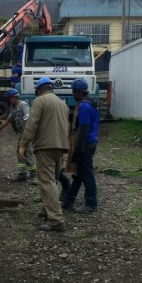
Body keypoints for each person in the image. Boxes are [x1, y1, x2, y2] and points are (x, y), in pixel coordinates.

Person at [19, 77, 69, 232]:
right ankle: (46, 210)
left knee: (46, 182)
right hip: (60, 146)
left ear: (39, 90)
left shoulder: (40, 101)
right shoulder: (63, 104)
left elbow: (31, 124)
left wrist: (23, 145)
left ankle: (56, 220)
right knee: (52, 181)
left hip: (45, 146)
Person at [64, 78, 99, 213]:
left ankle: (91, 203)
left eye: (73, 91)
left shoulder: (84, 107)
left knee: (87, 174)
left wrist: (78, 150)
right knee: (78, 175)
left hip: (85, 143)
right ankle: (68, 200)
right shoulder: (92, 104)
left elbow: (83, 129)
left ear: (78, 92)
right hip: (91, 142)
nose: (73, 94)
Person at [0, 89, 37, 184]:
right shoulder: (13, 107)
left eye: (9, 98)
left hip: (26, 134)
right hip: (20, 134)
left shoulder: (23, 105)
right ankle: (22, 174)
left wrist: (27, 134)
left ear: (14, 97)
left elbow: (28, 118)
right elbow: (8, 120)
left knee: (27, 153)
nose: (9, 100)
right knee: (19, 154)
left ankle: (34, 176)